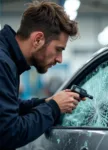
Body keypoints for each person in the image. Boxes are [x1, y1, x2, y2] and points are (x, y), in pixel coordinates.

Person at [0, 1, 83, 149]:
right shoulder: (2, 64)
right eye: (58, 49)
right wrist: (54, 107)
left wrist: (47, 102)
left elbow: (9, 108)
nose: (60, 59)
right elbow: (8, 133)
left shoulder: (8, 59)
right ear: (38, 39)